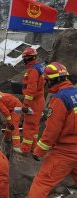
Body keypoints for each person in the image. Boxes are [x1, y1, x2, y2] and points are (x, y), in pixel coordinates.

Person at [27, 62, 77, 197]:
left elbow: (52, 131)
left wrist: (39, 151)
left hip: (65, 152)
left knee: (42, 182)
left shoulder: (60, 99)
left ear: (51, 80)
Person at [15, 47, 45, 154]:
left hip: (33, 101)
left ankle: (25, 149)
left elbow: (31, 89)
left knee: (28, 125)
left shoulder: (33, 70)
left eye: (24, 58)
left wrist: (26, 104)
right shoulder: (38, 67)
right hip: (38, 100)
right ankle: (33, 147)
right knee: (35, 126)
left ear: (28, 58)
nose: (23, 60)